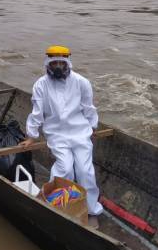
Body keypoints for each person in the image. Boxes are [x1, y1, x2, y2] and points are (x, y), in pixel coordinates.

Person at [19, 45, 104, 228]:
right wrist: (32, 136)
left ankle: (90, 210)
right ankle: (55, 204)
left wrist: (93, 126)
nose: (58, 66)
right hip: (57, 134)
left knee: (85, 171)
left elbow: (89, 108)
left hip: (80, 132)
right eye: (54, 62)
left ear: (67, 63)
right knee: (65, 169)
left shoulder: (81, 82)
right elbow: (37, 113)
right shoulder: (41, 85)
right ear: (48, 63)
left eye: (61, 62)